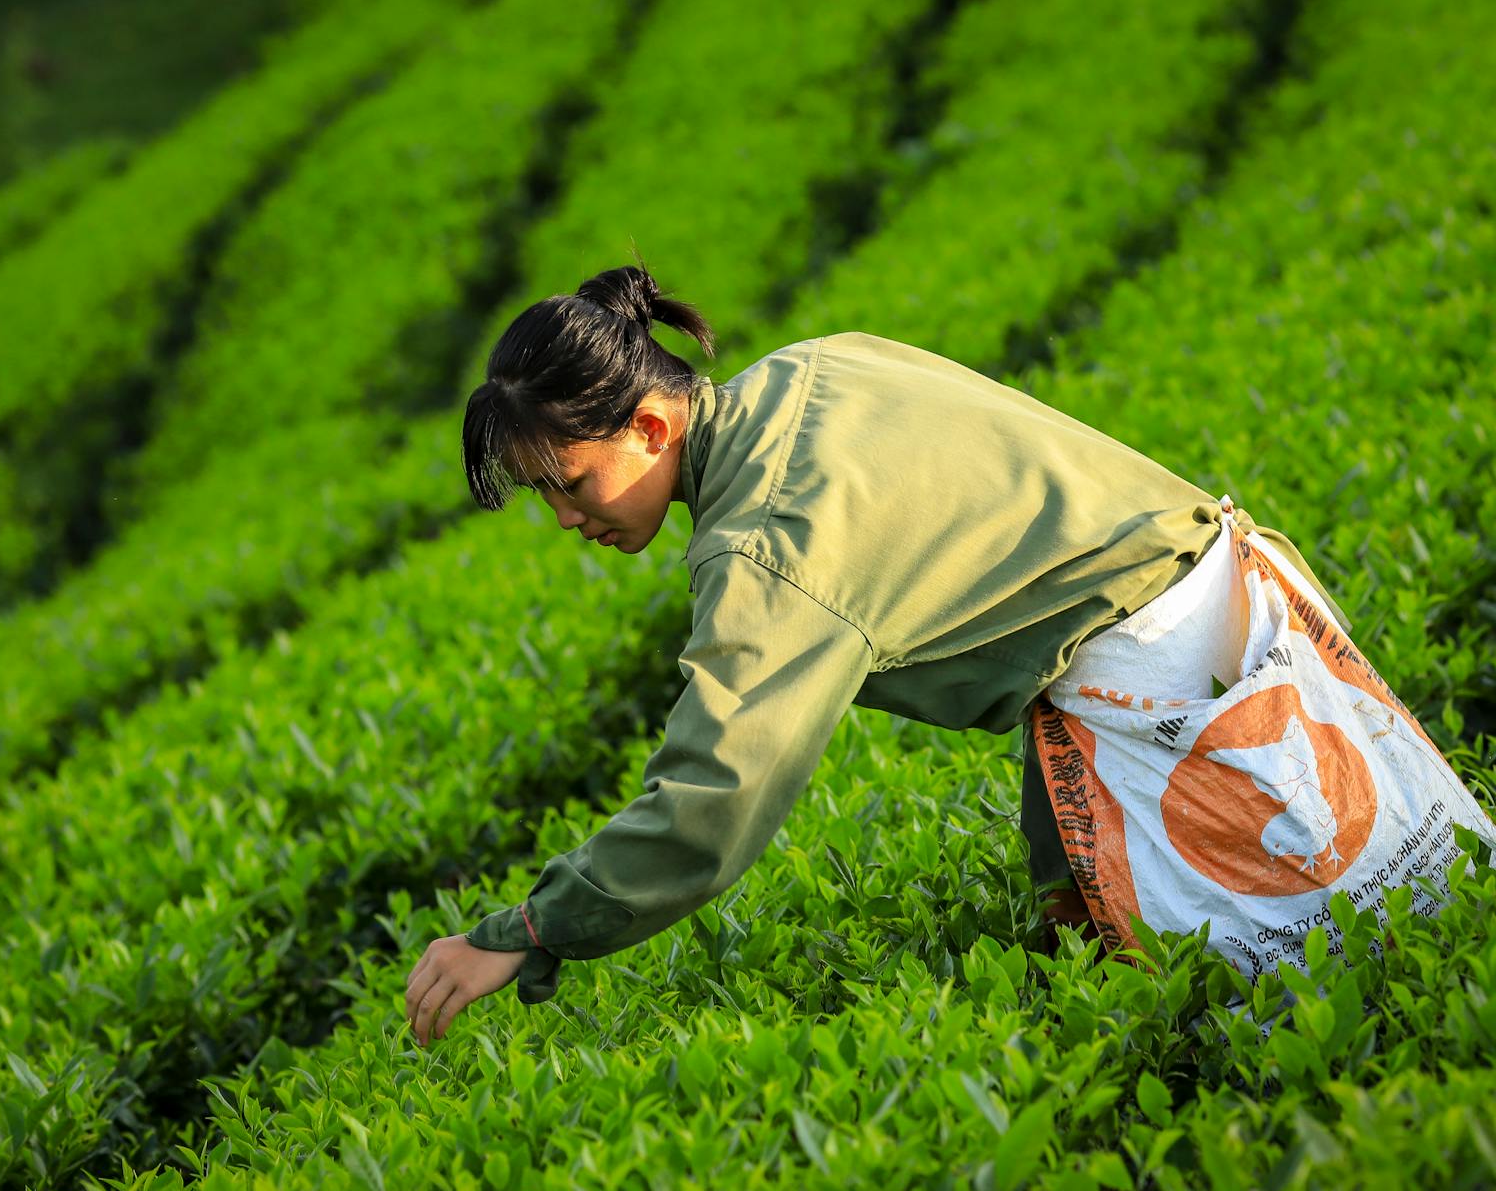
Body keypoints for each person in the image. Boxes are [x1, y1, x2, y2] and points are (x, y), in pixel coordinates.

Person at [403, 262, 1352, 1045]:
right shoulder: (812, 367)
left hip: (1174, 682)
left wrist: (528, 931)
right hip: (1235, 597)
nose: (569, 518)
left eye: (573, 483)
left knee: (1290, 1009)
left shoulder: (763, 546)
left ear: (650, 427)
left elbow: (715, 797)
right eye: (545, 498)